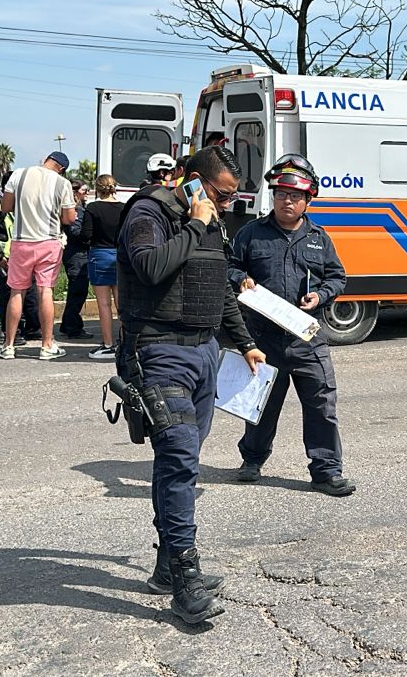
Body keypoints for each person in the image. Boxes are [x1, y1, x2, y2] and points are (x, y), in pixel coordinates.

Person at [117, 145, 266, 624]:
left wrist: (244, 343)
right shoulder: (149, 211)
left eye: (230, 199)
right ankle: (185, 576)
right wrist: (197, 223)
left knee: (179, 458)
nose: (225, 205)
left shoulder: (210, 219)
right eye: (220, 195)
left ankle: (165, 564)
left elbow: (217, 286)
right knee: (180, 457)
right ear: (192, 178)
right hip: (159, 350)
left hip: (203, 352)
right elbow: (151, 267)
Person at [228, 154, 355, 496]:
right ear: (274, 196)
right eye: (282, 194)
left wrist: (322, 296)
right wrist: (240, 278)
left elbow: (338, 277)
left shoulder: (319, 237)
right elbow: (229, 267)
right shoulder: (251, 234)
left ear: (307, 200)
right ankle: (252, 460)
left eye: (296, 196)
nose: (288, 200)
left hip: (307, 339)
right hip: (264, 338)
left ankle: (326, 471)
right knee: (261, 406)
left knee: (322, 406)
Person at [0, 150, 76, 360]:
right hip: (49, 242)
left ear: (45, 160)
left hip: (21, 241)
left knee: (17, 292)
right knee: (45, 291)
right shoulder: (62, 183)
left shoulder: (18, 174)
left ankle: (8, 345)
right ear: (61, 169)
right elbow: (69, 218)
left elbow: (6, 207)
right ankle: (47, 345)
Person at [0, 169, 41, 343]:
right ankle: (12, 332)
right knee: (9, 295)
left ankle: (34, 329)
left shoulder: (20, 202)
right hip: (5, 259)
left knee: (31, 293)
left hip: (24, 255)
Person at [83, 174, 124, 360]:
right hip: (120, 256)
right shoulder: (124, 208)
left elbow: (86, 235)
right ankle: (125, 343)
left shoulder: (92, 208)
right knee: (121, 303)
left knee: (104, 304)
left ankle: (108, 344)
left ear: (98, 189)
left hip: (99, 255)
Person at [58, 179, 93, 341]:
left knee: (77, 291)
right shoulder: (75, 210)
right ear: (75, 192)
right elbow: (75, 232)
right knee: (78, 291)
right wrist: (90, 236)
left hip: (78, 253)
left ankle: (67, 324)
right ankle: (73, 327)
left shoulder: (78, 208)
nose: (87, 193)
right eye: (84, 190)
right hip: (77, 254)